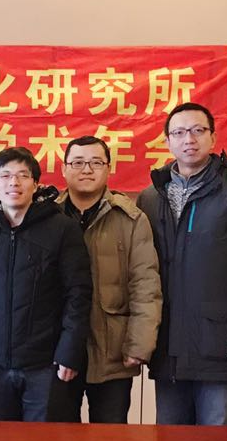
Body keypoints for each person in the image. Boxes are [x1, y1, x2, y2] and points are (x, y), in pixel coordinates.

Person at [137, 102, 227, 426]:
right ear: (167, 142)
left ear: (213, 137)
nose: (189, 139)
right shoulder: (151, 197)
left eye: (198, 130)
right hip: (168, 343)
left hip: (220, 339)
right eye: (179, 132)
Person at [0, 147, 91, 422]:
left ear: (35, 184)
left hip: (46, 364)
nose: (14, 182)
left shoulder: (61, 228)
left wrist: (69, 352)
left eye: (22, 175)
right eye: (5, 176)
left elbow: (78, 295)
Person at [47, 136, 162, 424]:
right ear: (64, 169)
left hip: (114, 351)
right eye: (78, 162)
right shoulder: (47, 216)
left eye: (96, 162)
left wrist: (139, 345)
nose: (87, 169)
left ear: (108, 168)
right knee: (58, 439)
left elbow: (145, 285)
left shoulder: (131, 218)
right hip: (57, 348)